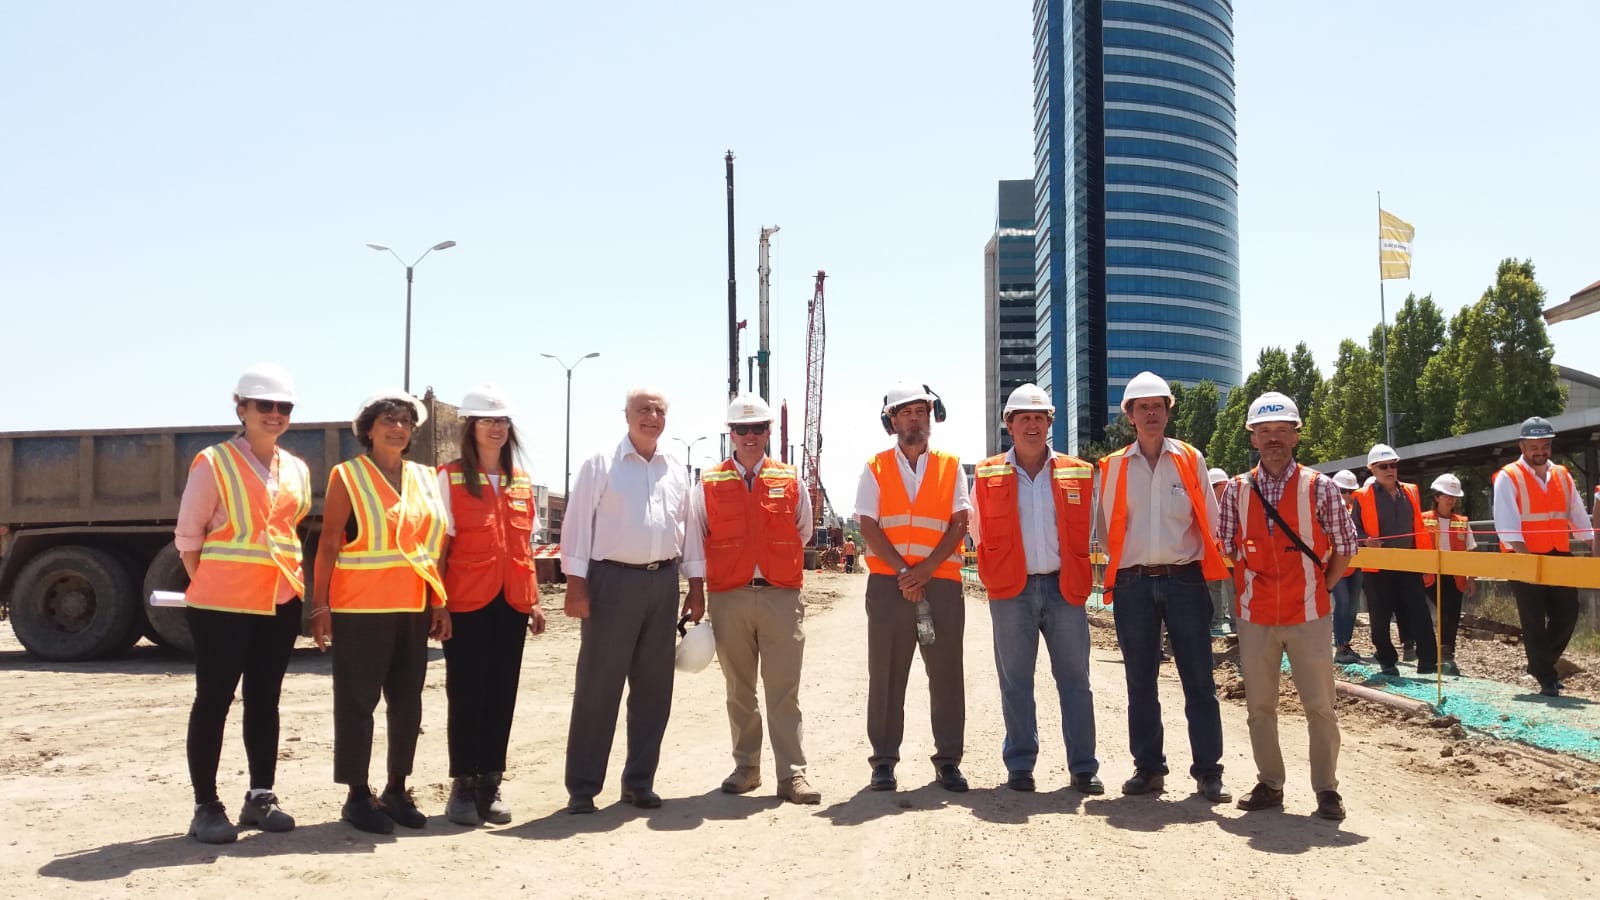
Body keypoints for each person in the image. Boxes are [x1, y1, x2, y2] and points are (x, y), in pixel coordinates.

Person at [175, 363, 312, 844]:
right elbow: (189, 536)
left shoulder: (296, 468)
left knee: (264, 701)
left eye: (284, 407)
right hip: (221, 604)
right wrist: (211, 584)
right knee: (213, 701)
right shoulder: (212, 463)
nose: (274, 414)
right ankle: (205, 806)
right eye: (264, 406)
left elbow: (289, 531)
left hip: (278, 601)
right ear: (242, 408)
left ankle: (260, 796)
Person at [310, 389, 452, 835]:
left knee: (407, 705)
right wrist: (320, 605)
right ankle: (356, 795)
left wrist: (439, 600)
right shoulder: (347, 476)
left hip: (412, 607)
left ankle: (395, 788)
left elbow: (435, 545)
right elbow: (329, 542)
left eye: (405, 422)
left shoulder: (427, 478)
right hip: (360, 609)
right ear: (368, 429)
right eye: (388, 420)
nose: (397, 427)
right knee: (357, 705)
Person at [560, 386, 705, 813]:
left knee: (654, 689)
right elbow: (577, 525)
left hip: (662, 584)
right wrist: (575, 583)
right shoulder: (601, 462)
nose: (652, 417)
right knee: (598, 686)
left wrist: (695, 586)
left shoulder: (677, 469)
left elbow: (689, 531)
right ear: (626, 414)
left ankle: (639, 782)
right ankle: (583, 787)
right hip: (611, 583)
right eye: (644, 409)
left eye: (659, 410)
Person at [1216, 392, 1356, 821]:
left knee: (1320, 706)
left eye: (1281, 431)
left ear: (1295, 436)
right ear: (1253, 439)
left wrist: (1322, 587)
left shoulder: (1321, 487)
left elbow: (1346, 546)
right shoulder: (1237, 491)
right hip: (1256, 616)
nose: (1273, 439)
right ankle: (1270, 782)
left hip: (1309, 614)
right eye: (1264, 432)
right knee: (1260, 706)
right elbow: (1225, 548)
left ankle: (1326, 790)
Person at [1098, 371, 1230, 803]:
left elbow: (1209, 522)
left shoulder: (1190, 460)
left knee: (1199, 680)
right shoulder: (1113, 467)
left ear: (1169, 411)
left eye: (1158, 405)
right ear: (1130, 416)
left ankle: (1209, 771)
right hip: (1133, 584)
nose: (1151, 413)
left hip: (1184, 581)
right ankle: (1148, 768)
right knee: (1141, 682)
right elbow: (1103, 527)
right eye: (1143, 407)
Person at [969, 383, 1100, 794]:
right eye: (1023, 418)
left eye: (1039, 418)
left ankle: (1083, 767)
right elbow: (976, 530)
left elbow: (1092, 526)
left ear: (1049, 424)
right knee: (1015, 681)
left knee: (1076, 681)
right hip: (1012, 591)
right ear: (1010, 425)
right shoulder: (987, 473)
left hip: (1064, 589)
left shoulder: (1078, 472)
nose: (1032, 425)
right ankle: (1021, 764)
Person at [696, 393, 819, 804]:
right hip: (729, 597)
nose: (750, 436)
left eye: (758, 428)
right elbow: (697, 536)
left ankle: (792, 775)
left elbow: (803, 531)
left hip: (780, 596)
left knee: (784, 690)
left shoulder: (789, 478)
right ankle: (747, 768)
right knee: (739, 689)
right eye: (741, 429)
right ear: (730, 434)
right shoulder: (709, 482)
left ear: (769, 432)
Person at [437, 383, 548, 827]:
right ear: (471, 427)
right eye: (487, 420)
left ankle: (490, 782)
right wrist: (437, 604)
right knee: (466, 695)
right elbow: (439, 547)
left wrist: (535, 601)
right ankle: (462, 785)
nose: (496, 428)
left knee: (502, 694)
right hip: (465, 603)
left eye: (502, 421)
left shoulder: (521, 481)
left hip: (512, 604)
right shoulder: (449, 477)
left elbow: (524, 546)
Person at [855, 380, 970, 792]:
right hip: (889, 585)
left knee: (946, 674)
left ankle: (949, 761)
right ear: (892, 421)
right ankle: (883, 761)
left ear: (931, 417)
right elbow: (867, 524)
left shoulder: (951, 465)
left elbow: (960, 521)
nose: (915, 419)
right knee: (885, 674)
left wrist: (925, 571)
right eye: (906, 413)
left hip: (939, 583)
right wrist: (906, 571)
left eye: (921, 411)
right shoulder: (876, 467)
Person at [1491, 416, 1593, 697]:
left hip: (1560, 554)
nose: (1540, 452)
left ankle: (1540, 664)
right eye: (1534, 447)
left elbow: (1577, 513)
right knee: (1533, 619)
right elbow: (1506, 524)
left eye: (1545, 446)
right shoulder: (1508, 477)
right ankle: (1547, 677)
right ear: (1522, 446)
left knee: (1568, 614)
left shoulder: (1562, 474)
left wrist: (1591, 540)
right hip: (1524, 556)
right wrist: (1526, 558)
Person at [1350, 443, 1437, 677]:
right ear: (1372, 470)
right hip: (1378, 568)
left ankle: (1429, 661)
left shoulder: (1411, 492)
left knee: (1419, 611)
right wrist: (1365, 540)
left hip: (1409, 563)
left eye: (1393, 465)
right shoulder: (1362, 497)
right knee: (1380, 615)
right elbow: (1351, 529)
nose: (1390, 469)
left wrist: (1425, 562)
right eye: (1383, 466)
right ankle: (1387, 661)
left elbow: (1418, 526)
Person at [1422, 473, 1476, 676]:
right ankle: (1433, 652)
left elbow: (1470, 551)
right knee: (1441, 611)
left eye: (1454, 496)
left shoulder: (1462, 522)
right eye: (1446, 495)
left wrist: (1472, 578)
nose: (1451, 499)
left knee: (1451, 614)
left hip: (1455, 576)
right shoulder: (1423, 519)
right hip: (1430, 574)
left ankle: (1447, 654)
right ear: (1436, 497)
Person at [1330, 470, 1364, 664]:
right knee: (1342, 604)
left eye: (1350, 491)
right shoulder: (1327, 511)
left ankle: (1346, 642)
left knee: (1352, 606)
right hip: (1337, 564)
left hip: (1356, 564)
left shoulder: (1356, 512)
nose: (1347, 495)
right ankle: (1340, 646)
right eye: (1343, 490)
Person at [1207, 467, 1236, 637]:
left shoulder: (1232, 501)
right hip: (1213, 555)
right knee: (1214, 588)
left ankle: (1234, 624)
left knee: (1232, 589)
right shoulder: (1209, 503)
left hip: (1229, 555)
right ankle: (1216, 620)